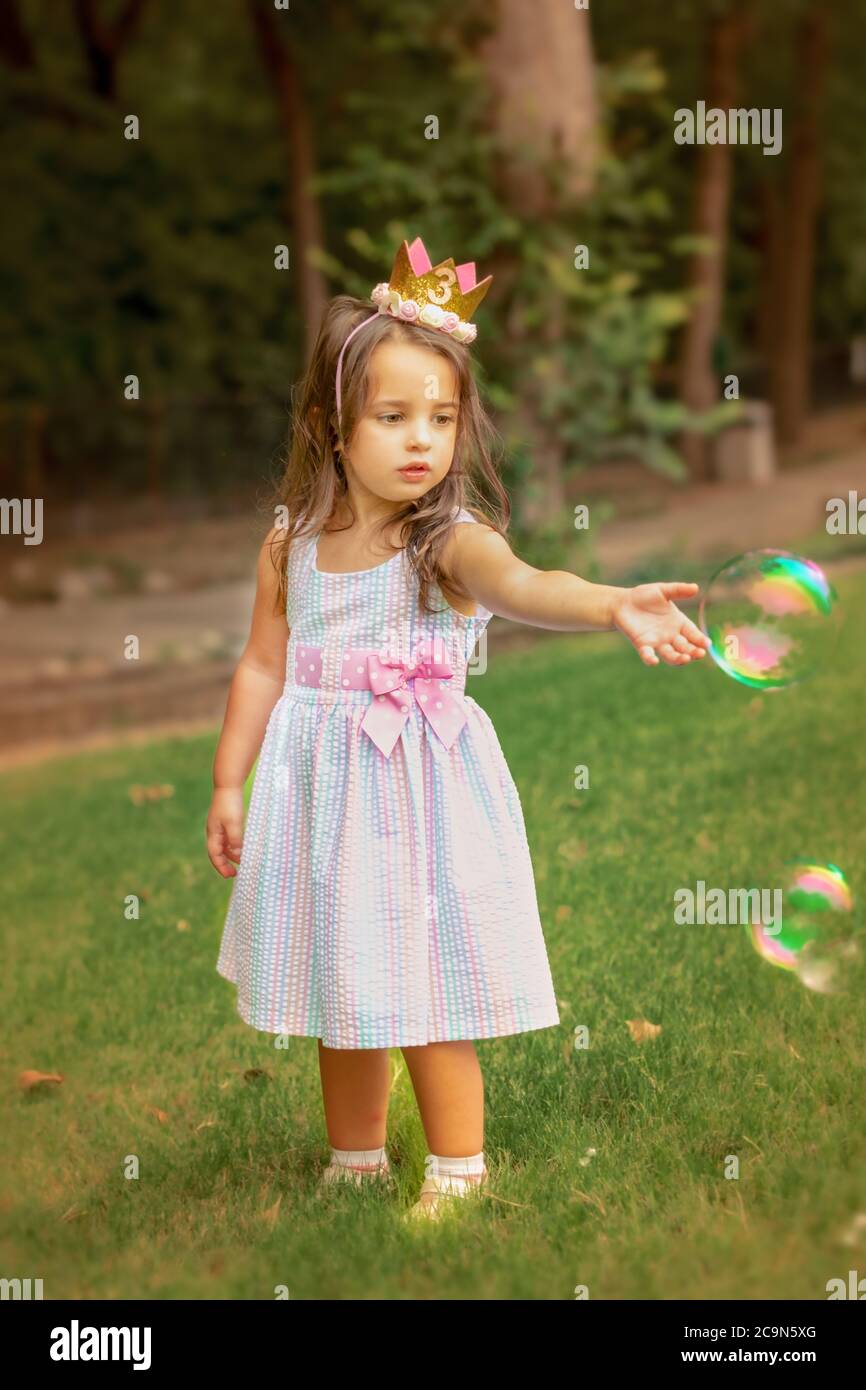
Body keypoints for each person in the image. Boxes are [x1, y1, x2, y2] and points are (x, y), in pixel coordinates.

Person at [207, 236, 710, 1221]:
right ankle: (350, 1161)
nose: (420, 440)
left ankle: (457, 1169)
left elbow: (526, 585)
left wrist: (608, 603)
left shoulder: (445, 540)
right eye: (392, 416)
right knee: (338, 981)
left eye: (440, 417)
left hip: (417, 799)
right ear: (330, 424)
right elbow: (263, 664)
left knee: (422, 983)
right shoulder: (290, 546)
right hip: (319, 795)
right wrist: (229, 782)